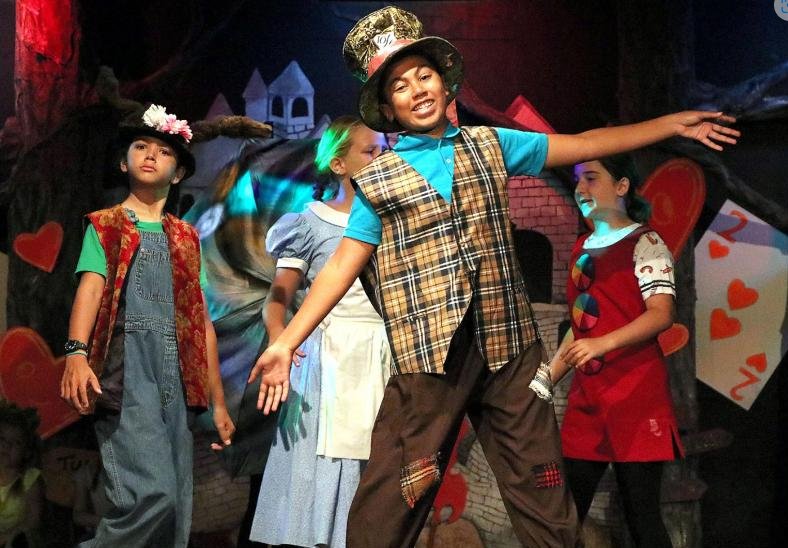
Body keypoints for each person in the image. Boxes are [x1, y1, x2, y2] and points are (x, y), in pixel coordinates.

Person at [249, 6, 738, 547]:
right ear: (387, 107)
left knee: (545, 497)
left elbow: (584, 143)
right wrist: (286, 342)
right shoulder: (378, 181)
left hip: (508, 347)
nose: (416, 90)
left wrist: (669, 124)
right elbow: (343, 265)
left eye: (424, 75)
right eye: (400, 86)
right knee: (390, 503)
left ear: (444, 82)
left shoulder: (491, 144)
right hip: (430, 359)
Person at [59, 104, 235, 547]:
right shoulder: (106, 226)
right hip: (128, 369)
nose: (151, 155)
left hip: (176, 375)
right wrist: (76, 353)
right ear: (124, 162)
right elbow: (91, 290)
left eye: (164, 151)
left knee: (176, 510)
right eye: (141, 147)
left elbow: (200, 321)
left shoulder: (186, 237)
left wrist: (218, 403)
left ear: (179, 174)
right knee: (151, 496)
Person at [249, 116, 391, 547]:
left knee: (377, 465)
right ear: (339, 163)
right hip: (327, 360)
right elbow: (276, 300)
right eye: (370, 151)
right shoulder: (310, 223)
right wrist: (282, 342)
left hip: (383, 355)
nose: (381, 158)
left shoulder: (395, 221)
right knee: (323, 463)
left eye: (385, 151)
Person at [544, 154, 686, 547]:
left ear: (622, 186)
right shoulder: (581, 247)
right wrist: (546, 379)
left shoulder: (647, 243)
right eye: (578, 180)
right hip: (588, 400)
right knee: (563, 518)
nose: (581, 188)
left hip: (634, 398)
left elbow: (662, 314)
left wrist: (603, 343)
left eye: (591, 178)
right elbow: (581, 328)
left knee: (642, 517)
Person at [0, 402, 43, 548]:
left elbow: (33, 520)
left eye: (16, 442)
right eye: (2, 439)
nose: (7, 446)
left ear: (26, 451)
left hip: (17, 539)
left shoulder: (29, 479)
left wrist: (10, 535)